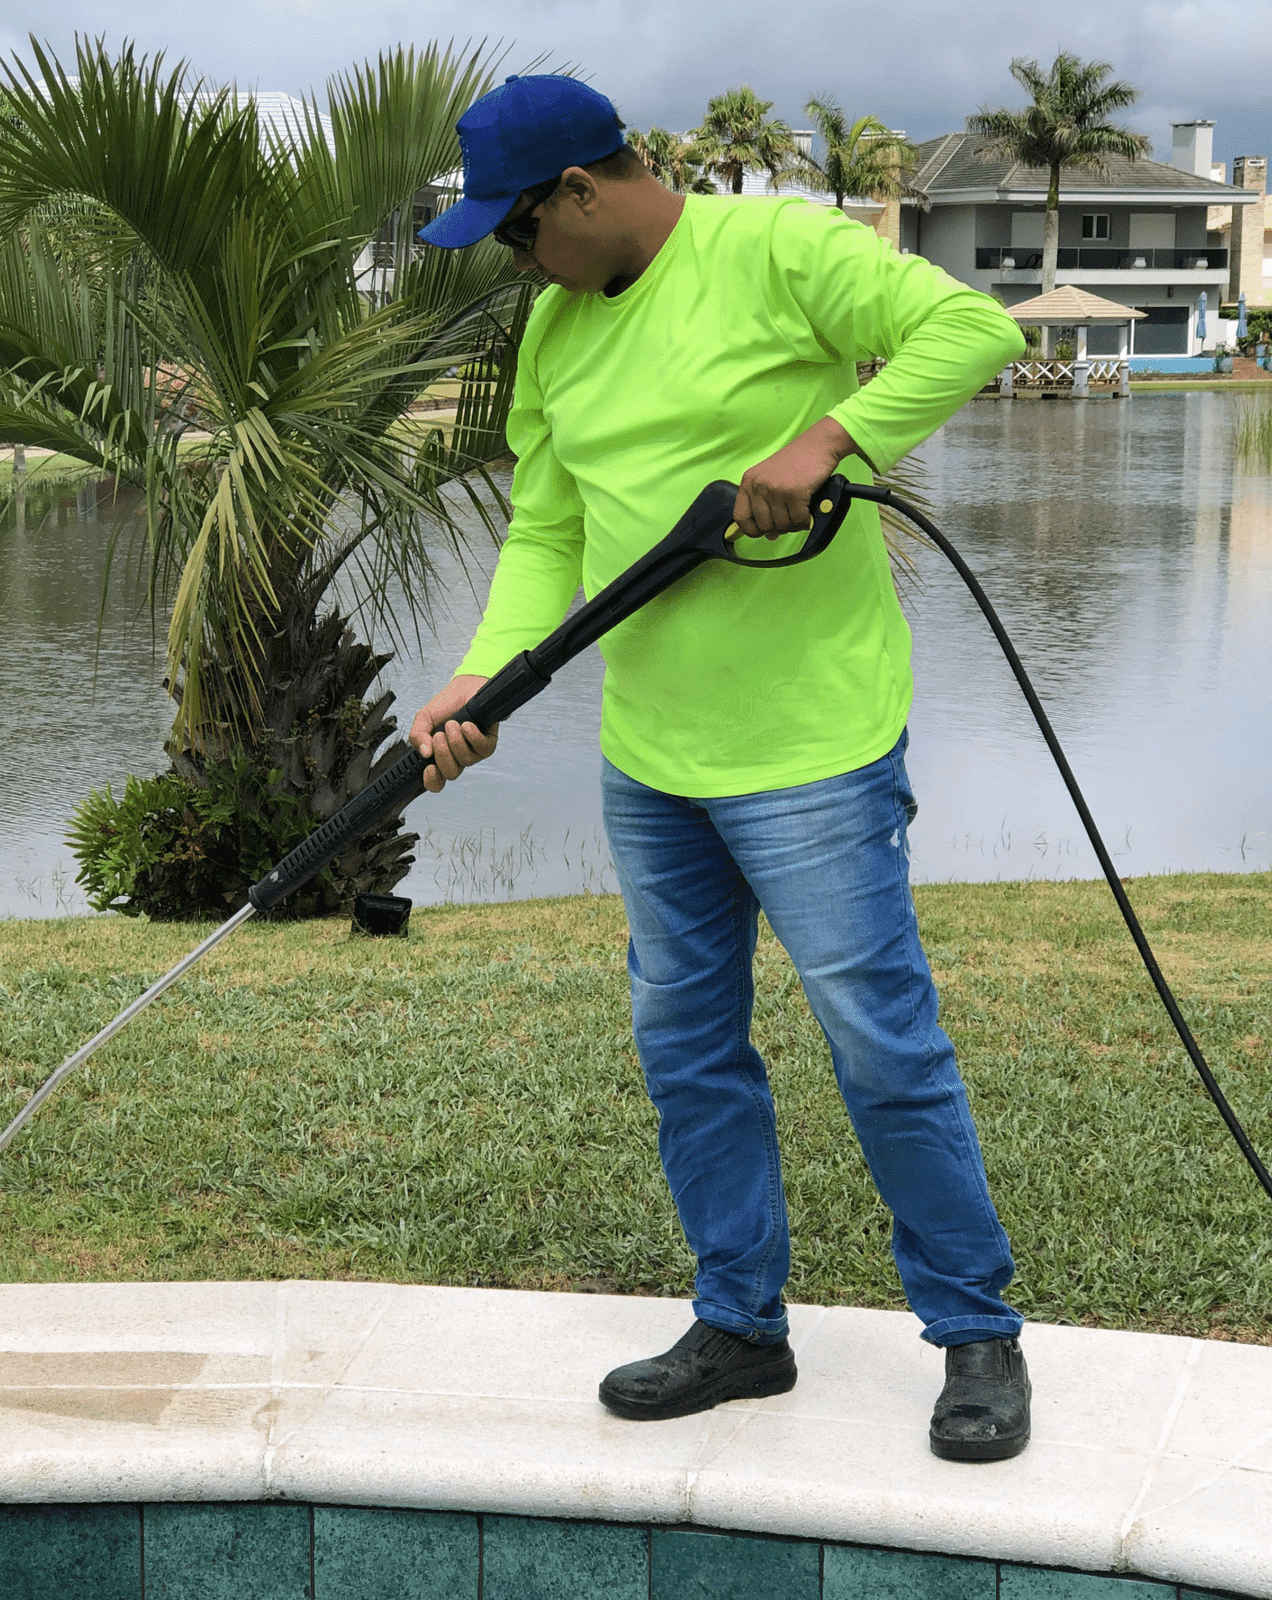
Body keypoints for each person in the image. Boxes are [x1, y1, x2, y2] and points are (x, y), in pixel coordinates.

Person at [412, 74, 1032, 1462]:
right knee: (688, 1047)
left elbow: (972, 327)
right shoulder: (557, 333)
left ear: (581, 190)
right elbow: (548, 532)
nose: (516, 260)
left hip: (813, 745)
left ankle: (976, 1331)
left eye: (516, 230)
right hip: (653, 758)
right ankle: (741, 1325)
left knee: (880, 1044)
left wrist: (831, 435)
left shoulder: (777, 248)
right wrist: (480, 677)